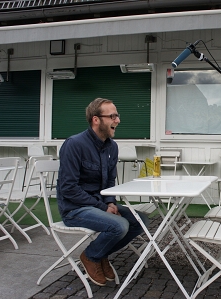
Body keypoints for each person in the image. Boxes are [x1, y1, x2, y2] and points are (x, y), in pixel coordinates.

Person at [57, 98, 148, 286]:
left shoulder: (111, 147)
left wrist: (110, 202)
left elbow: (108, 181)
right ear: (96, 120)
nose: (118, 120)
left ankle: (101, 253)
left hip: (99, 204)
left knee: (141, 221)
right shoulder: (74, 144)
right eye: (112, 116)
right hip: (75, 209)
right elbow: (69, 188)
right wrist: (101, 206)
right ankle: (90, 256)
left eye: (117, 116)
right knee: (120, 226)